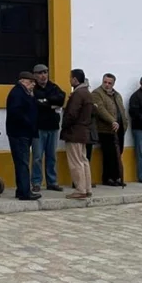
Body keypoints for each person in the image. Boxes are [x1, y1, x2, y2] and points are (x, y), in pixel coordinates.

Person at [31, 64, 66, 193]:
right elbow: (36, 103)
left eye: (45, 72)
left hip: (53, 127)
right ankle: (36, 182)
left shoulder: (53, 87)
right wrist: (51, 104)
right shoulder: (33, 88)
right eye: (40, 73)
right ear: (35, 75)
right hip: (39, 127)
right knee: (37, 157)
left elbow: (61, 98)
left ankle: (52, 182)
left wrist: (45, 101)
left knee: (52, 156)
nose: (43, 75)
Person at [6, 70, 40, 201]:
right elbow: (17, 114)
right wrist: (29, 123)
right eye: (31, 82)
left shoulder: (25, 93)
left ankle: (21, 190)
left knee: (22, 162)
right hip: (20, 133)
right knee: (23, 163)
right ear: (23, 81)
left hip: (23, 133)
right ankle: (25, 192)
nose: (33, 85)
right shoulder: (17, 93)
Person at [61, 69, 94, 200]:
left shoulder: (78, 94)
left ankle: (80, 189)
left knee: (76, 162)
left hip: (74, 131)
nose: (70, 80)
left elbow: (71, 114)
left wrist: (65, 125)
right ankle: (87, 188)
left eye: (71, 78)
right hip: (83, 131)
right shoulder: (87, 93)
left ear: (75, 79)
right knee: (83, 160)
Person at [91, 73, 127, 188]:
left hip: (119, 129)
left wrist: (124, 122)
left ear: (113, 84)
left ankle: (117, 177)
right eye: (105, 82)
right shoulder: (97, 93)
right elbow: (101, 110)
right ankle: (108, 178)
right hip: (105, 129)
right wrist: (112, 121)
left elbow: (121, 109)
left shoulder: (117, 95)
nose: (107, 85)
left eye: (109, 83)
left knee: (118, 153)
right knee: (109, 154)